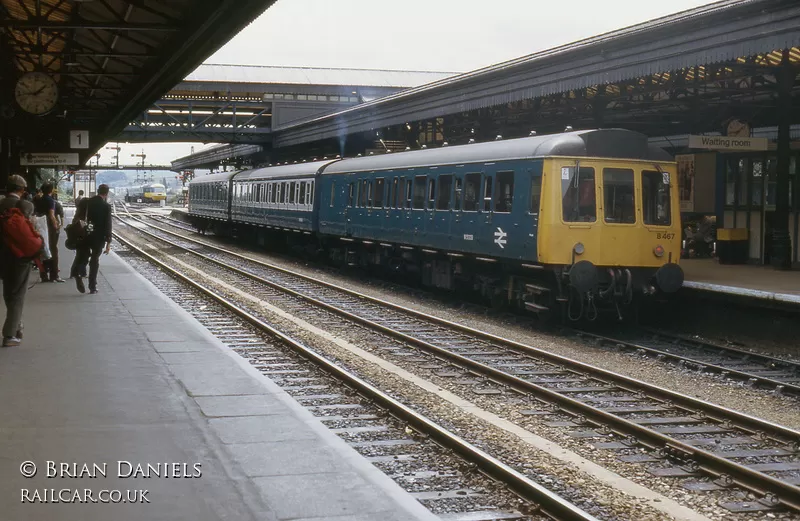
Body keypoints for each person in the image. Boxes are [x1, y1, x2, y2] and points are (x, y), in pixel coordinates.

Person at [0, 175, 37, 346]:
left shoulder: (0, 204)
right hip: (21, 256)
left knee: (9, 292)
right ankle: (10, 335)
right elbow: (32, 231)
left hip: (3, 255)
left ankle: (17, 324)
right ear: (21, 190)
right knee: (18, 294)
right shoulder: (26, 206)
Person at [70, 184, 112, 294]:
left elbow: (77, 216)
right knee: (94, 260)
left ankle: (78, 273)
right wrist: (108, 242)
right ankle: (92, 286)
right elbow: (108, 225)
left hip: (85, 234)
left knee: (83, 256)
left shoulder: (86, 202)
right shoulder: (106, 206)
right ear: (106, 193)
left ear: (98, 191)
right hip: (98, 237)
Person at [39, 184, 65, 283]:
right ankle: (54, 275)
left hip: (40, 227)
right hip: (49, 227)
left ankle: (44, 275)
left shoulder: (39, 200)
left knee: (43, 250)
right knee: (53, 250)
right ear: (51, 190)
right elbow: (51, 214)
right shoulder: (50, 200)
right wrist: (56, 226)